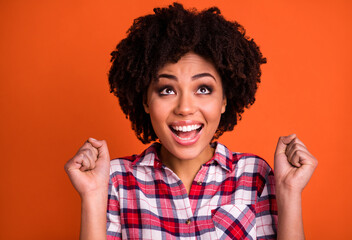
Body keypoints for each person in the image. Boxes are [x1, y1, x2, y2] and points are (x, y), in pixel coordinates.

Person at [65, 3, 318, 240]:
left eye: (204, 89)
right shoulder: (116, 181)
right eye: (167, 90)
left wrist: (289, 191)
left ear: (224, 100)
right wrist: (92, 196)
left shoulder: (254, 176)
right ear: (145, 101)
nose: (185, 108)